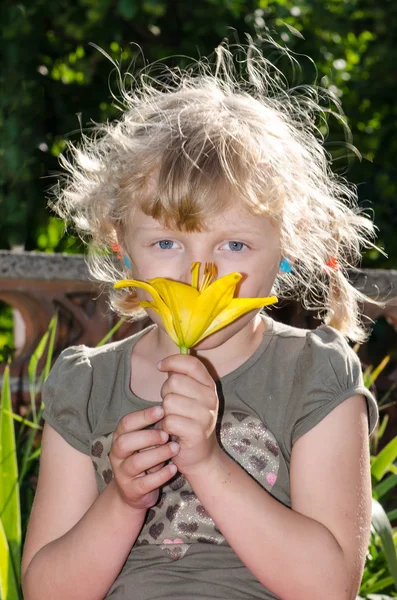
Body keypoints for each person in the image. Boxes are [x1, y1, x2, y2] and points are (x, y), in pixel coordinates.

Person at [21, 37, 380, 600]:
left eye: (233, 245)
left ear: (286, 247)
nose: (200, 274)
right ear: (122, 247)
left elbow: (328, 588)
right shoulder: (86, 385)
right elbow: (47, 591)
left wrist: (208, 464)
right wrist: (121, 501)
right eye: (167, 242)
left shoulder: (313, 374)